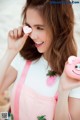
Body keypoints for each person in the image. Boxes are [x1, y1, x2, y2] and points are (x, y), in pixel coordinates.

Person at [0, 0, 80, 119]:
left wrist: (63, 91)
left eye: (39, 28)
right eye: (29, 26)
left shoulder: (74, 73)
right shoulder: (25, 57)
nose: (32, 36)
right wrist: (10, 51)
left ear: (59, 27)